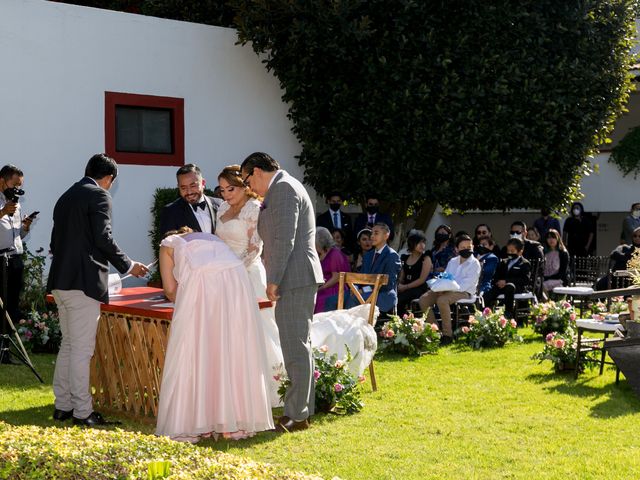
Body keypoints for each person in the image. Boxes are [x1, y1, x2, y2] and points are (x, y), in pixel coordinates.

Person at [47, 153, 149, 426]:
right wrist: (128, 266)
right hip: (83, 282)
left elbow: (55, 243)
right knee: (82, 350)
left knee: (68, 345)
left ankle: (63, 406)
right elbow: (103, 238)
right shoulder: (100, 196)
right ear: (109, 178)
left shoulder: (66, 196)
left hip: (60, 280)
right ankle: (82, 412)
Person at [155, 228, 274, 442]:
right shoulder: (210, 239)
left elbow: (170, 290)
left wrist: (183, 302)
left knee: (195, 347)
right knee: (230, 347)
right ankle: (233, 424)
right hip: (236, 278)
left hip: (203, 279)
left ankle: (193, 424)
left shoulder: (168, 243)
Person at [240, 152, 323, 434]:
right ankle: (301, 409)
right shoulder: (282, 188)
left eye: (247, 180)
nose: (249, 187)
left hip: (294, 276)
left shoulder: (284, 188)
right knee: (296, 344)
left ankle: (297, 415)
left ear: (257, 172)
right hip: (294, 275)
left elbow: (284, 238)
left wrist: (273, 280)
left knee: (295, 345)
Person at [214, 165, 284, 407]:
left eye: (230, 188)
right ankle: (235, 385)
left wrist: (234, 271)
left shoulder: (255, 209)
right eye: (221, 190)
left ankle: (271, 387)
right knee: (229, 331)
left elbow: (256, 248)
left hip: (248, 274)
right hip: (223, 276)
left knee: (259, 328)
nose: (225, 195)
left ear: (244, 185)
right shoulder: (222, 207)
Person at [419, 234, 480, 344]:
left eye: (469, 247)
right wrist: (441, 287)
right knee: (424, 300)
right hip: (447, 290)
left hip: (464, 292)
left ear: (473, 247)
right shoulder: (453, 261)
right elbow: (446, 276)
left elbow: (467, 284)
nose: (466, 249)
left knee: (442, 300)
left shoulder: (474, 263)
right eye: (463, 247)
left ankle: (448, 335)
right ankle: (435, 331)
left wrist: (448, 289)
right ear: (457, 249)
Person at [0, 165, 35, 324]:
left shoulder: (15, 203)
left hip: (15, 259)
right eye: (15, 185)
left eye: (20, 186)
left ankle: (7, 342)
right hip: (0, 259)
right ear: (2, 181)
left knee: (12, 304)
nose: (17, 189)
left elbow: (17, 235)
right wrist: (2, 212)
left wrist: (25, 227)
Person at [348, 222, 401, 316]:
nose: (372, 236)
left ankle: (353, 328)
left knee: (353, 298)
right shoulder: (368, 255)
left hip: (383, 295)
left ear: (386, 235)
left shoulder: (392, 256)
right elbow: (362, 276)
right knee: (332, 299)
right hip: (364, 293)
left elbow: (388, 284)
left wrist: (363, 290)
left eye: (376, 233)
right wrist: (355, 287)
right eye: (371, 233)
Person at [159, 164, 220, 236]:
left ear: (203, 183)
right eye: (183, 188)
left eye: (193, 186)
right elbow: (167, 245)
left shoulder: (220, 205)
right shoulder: (171, 211)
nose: (189, 192)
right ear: (178, 187)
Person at [483, 238, 531, 319]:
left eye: (512, 251)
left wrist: (507, 281)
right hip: (501, 286)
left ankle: (508, 313)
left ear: (520, 252)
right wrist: (498, 282)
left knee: (510, 286)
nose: (509, 253)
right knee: (489, 292)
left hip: (517, 287)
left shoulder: (524, 263)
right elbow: (496, 275)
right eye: (508, 251)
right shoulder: (504, 262)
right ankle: (485, 313)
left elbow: (525, 280)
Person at [314, 227, 351, 313]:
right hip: (325, 286)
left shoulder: (334, 253)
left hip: (335, 288)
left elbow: (336, 277)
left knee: (319, 298)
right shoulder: (321, 253)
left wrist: (321, 288)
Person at [397, 230, 432, 315]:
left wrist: (405, 287)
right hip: (405, 287)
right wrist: (399, 285)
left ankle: (403, 322)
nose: (422, 245)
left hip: (419, 288)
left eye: (423, 243)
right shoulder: (404, 258)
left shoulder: (426, 258)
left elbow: (422, 279)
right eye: (419, 243)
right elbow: (402, 277)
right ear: (412, 243)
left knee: (402, 299)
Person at [542, 228, 570, 295]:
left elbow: (562, 273)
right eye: (548, 238)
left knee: (542, 285)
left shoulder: (563, 253)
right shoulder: (544, 253)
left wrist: (547, 278)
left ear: (558, 238)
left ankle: (548, 304)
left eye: (553, 237)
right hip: (546, 279)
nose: (551, 240)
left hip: (559, 280)